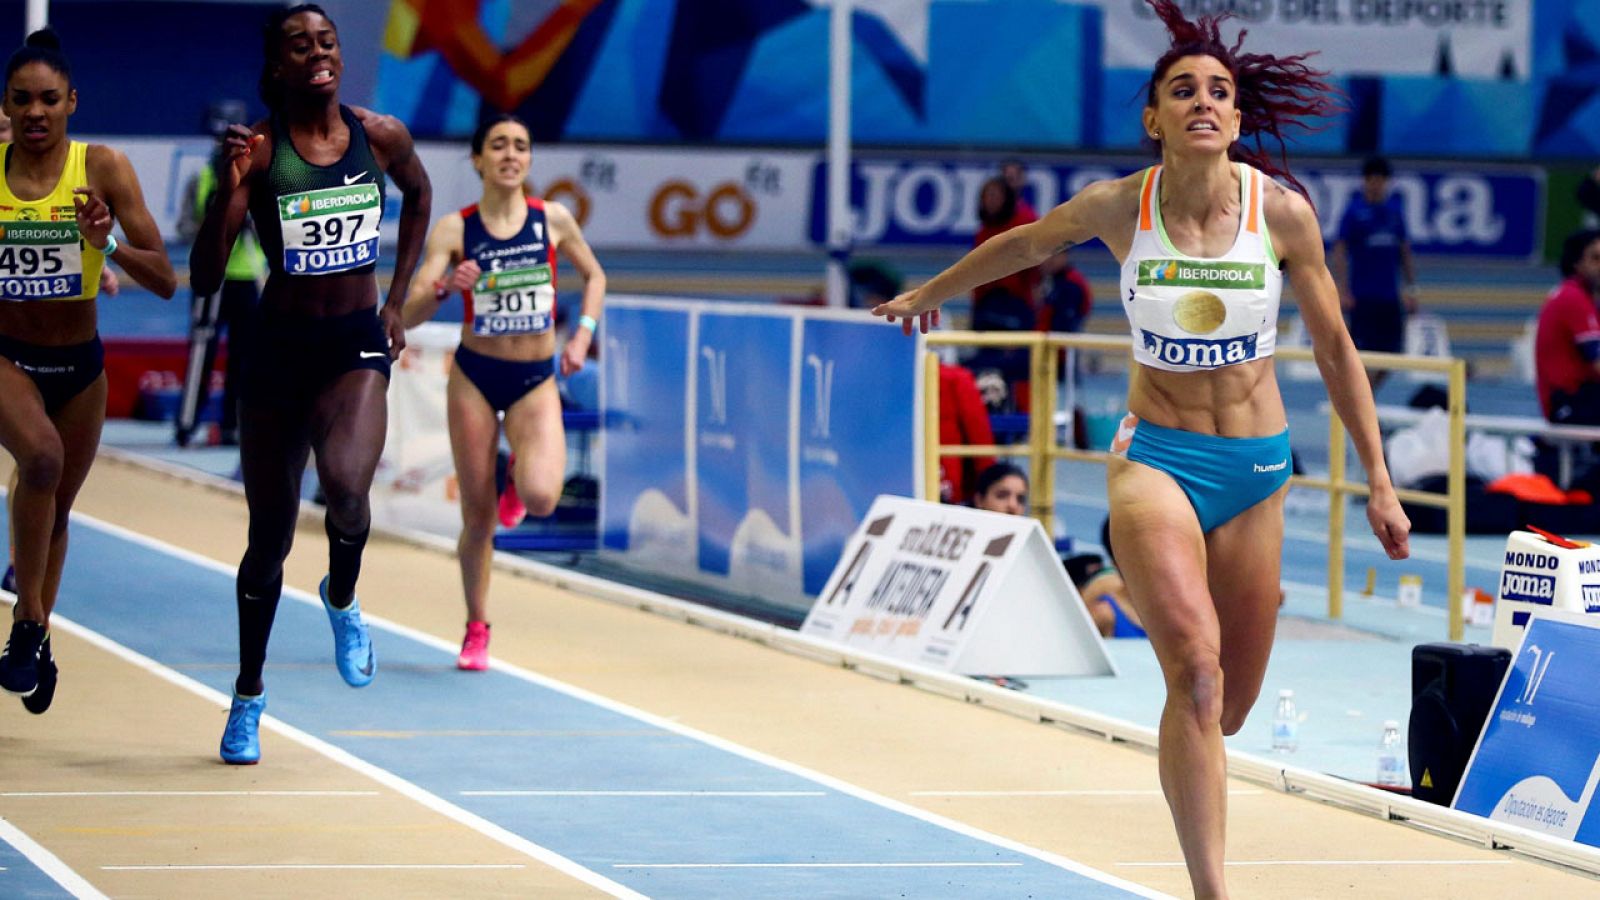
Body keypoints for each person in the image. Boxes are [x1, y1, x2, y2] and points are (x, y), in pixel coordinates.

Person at [873, 3, 1411, 895]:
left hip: (1257, 467)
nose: (1203, 101)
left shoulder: (1281, 216)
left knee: (1228, 707)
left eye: (1219, 92)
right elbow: (1023, 245)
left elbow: (1335, 351)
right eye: (1182, 89)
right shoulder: (1123, 207)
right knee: (1195, 675)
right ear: (1153, 117)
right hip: (1154, 460)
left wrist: (1380, 483)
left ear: (1238, 120)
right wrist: (930, 291)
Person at [190, 4, 431, 764]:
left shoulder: (380, 134)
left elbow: (420, 197)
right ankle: (249, 695)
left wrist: (395, 300)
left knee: (349, 489)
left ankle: (341, 595)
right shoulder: (258, 153)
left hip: (355, 344)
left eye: (326, 40)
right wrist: (231, 193)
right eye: (300, 45)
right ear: (279, 66)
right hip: (278, 352)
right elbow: (202, 278)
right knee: (267, 544)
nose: (319, 53)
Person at [0, 29, 177, 709]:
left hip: (79, 367)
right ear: (7, 106)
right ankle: (26, 625)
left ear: (73, 101)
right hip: (6, 357)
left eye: (49, 99)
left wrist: (107, 246)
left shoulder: (102, 166)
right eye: (23, 101)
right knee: (40, 461)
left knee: (57, 507)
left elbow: (163, 277)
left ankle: (36, 633)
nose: (37, 111)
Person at [403, 113, 604, 671]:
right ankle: (476, 627)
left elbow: (596, 277)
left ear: (529, 161)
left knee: (541, 497)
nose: (510, 154)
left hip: (535, 378)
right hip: (474, 376)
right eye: (498, 146)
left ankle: (513, 474)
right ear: (479, 160)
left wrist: (582, 336)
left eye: (520, 145)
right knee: (479, 516)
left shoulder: (553, 220)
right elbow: (411, 311)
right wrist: (445, 286)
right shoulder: (454, 229)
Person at [175, 100, 267, 447]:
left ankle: (232, 424)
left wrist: (248, 221)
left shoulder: (259, 178)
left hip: (248, 279)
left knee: (245, 354)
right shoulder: (201, 179)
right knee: (202, 348)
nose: (222, 148)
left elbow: (270, 231)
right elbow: (185, 228)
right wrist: (215, 220)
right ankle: (186, 423)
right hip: (212, 277)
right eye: (218, 140)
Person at [1332, 156, 1419, 387]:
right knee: (1362, 354)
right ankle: (1361, 407)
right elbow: (1340, 250)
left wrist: (1411, 289)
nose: (1376, 184)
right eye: (1372, 180)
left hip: (1390, 298)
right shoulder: (1354, 213)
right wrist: (1342, 289)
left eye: (1381, 180)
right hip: (1363, 298)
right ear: (1365, 181)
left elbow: (1405, 252)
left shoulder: (1394, 213)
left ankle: (1364, 402)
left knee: (1393, 356)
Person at [1535, 229, 1600, 426]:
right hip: (1568, 403)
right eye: (1596, 258)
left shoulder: (1583, 298)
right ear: (1576, 264)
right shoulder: (1573, 298)